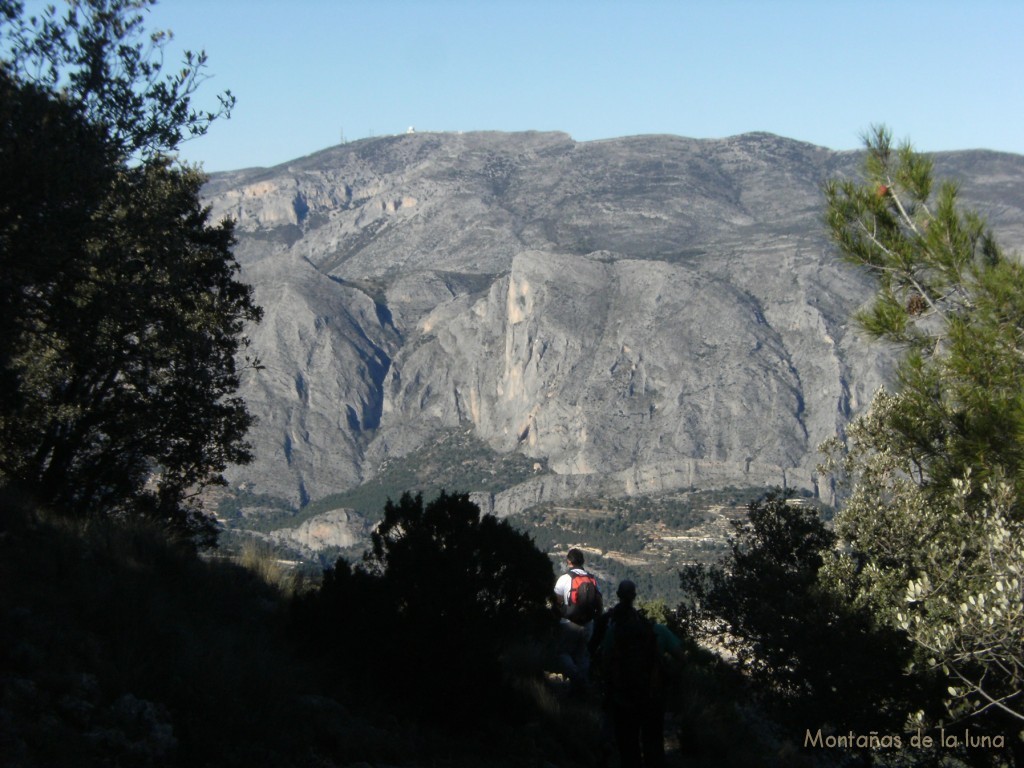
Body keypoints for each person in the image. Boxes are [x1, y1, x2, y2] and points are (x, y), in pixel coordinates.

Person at [598, 580, 681, 768]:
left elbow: (605, 662)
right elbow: (681, 658)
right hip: (652, 696)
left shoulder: (614, 630)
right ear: (635, 596)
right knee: (653, 744)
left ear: (618, 595)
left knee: (628, 746)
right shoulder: (655, 630)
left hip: (623, 697)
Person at [553, 547, 602, 693]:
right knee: (582, 655)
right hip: (588, 624)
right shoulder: (592, 579)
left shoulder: (565, 578)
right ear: (583, 562)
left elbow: (557, 599)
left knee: (562, 653)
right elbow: (599, 602)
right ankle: (582, 688)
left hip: (569, 623)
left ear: (569, 561)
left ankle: (577, 678)